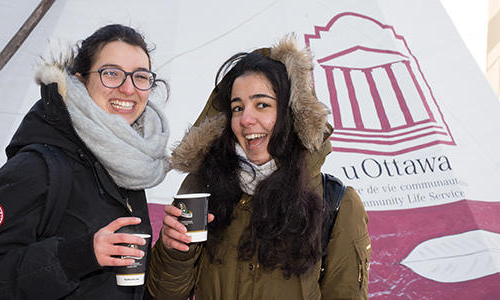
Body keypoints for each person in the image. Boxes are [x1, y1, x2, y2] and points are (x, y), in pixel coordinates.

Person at [0, 24, 170, 299]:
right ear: (80, 80)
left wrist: (171, 252)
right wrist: (76, 256)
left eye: (140, 76)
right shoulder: (38, 168)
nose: (128, 88)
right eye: (111, 74)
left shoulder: (128, 166)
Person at [147, 35, 371, 299]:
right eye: (237, 108)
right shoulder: (203, 190)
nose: (246, 119)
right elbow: (163, 294)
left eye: (262, 104)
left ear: (290, 115)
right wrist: (174, 251)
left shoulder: (336, 204)